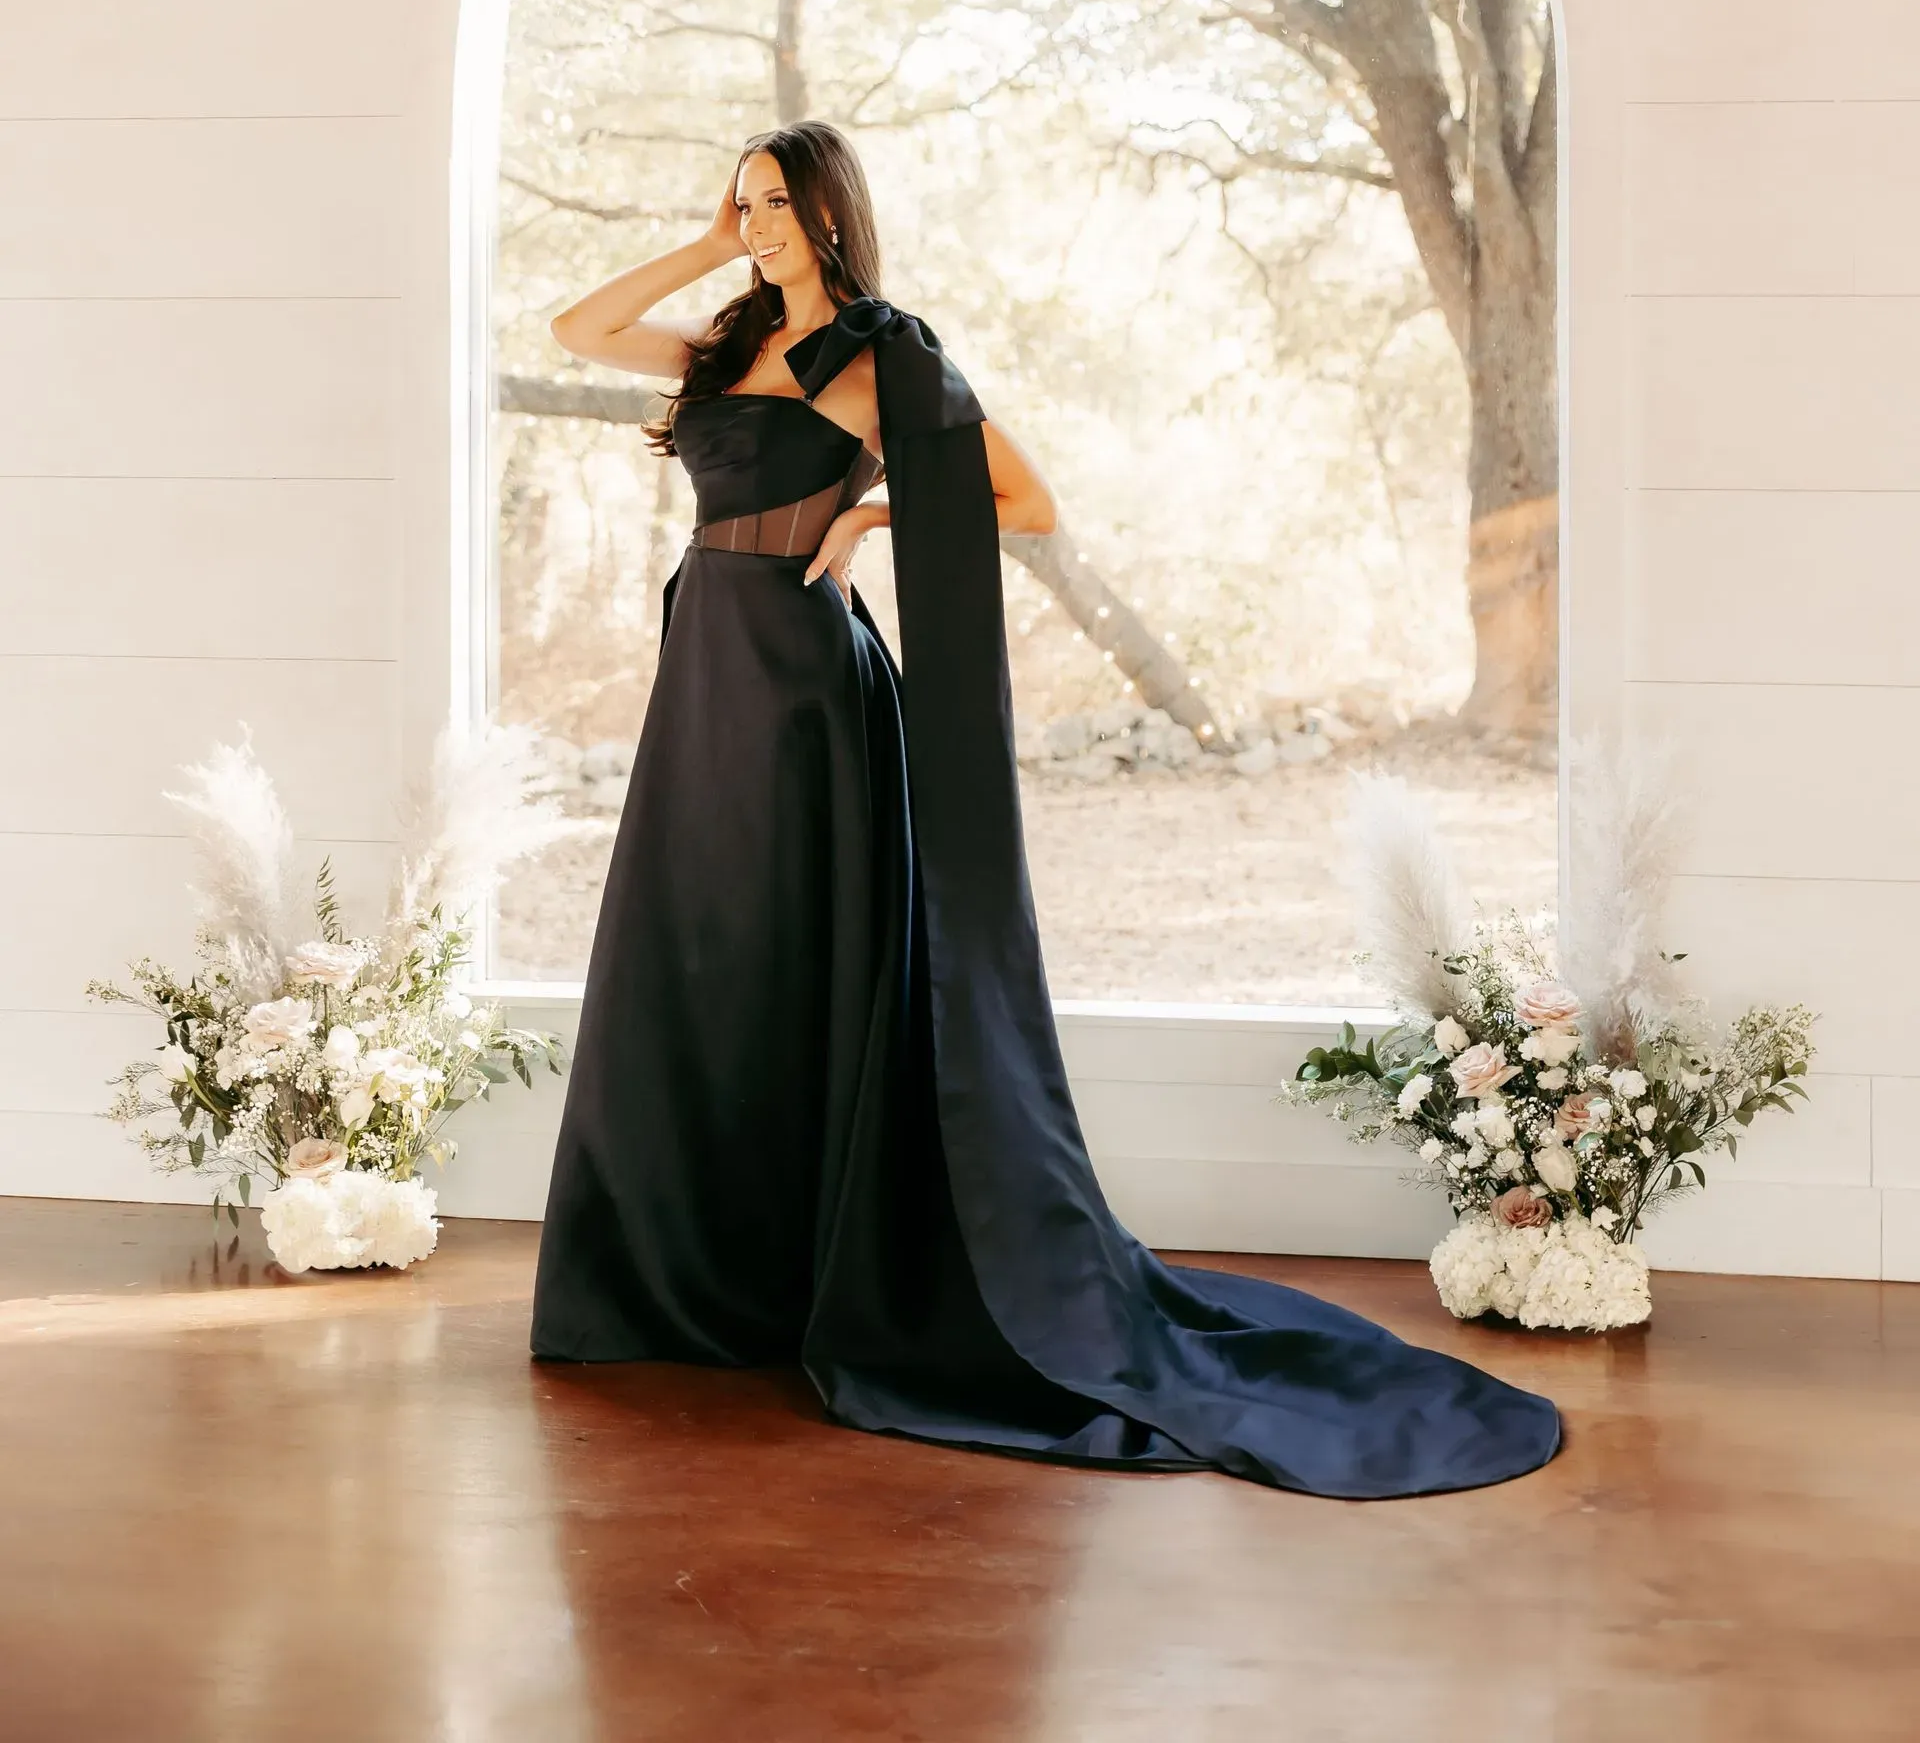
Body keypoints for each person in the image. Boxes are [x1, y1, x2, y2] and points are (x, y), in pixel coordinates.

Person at [528, 119, 1561, 1498]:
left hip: (807, 694)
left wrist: (872, 519)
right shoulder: (726, 345)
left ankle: (827, 1275)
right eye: (745, 203)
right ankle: (711, 1276)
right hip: (704, 674)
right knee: (699, 961)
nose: (758, 224)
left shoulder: (882, 360)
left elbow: (1028, 497)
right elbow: (578, 327)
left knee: (806, 962)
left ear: (831, 215)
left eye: (776, 205)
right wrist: (709, 244)